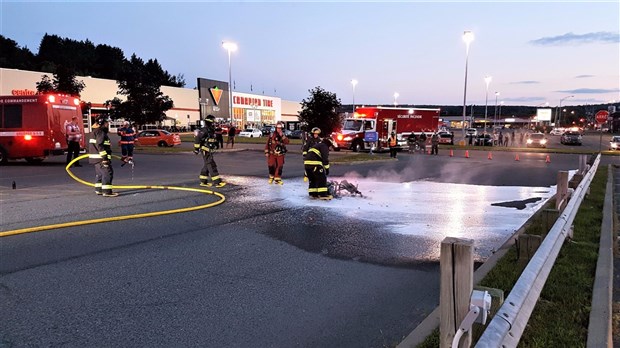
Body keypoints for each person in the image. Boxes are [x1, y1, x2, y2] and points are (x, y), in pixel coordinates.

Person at [88, 116, 118, 197]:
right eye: (107, 123)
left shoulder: (95, 131)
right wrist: (104, 157)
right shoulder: (101, 132)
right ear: (103, 123)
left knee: (100, 174)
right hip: (101, 158)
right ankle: (107, 191)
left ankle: (99, 190)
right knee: (108, 173)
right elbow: (99, 145)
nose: (107, 124)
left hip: (96, 158)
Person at [193, 115, 226, 187]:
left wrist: (216, 145)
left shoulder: (210, 130)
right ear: (209, 122)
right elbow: (197, 139)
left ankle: (203, 181)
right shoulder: (204, 130)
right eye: (213, 122)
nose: (214, 124)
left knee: (207, 165)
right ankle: (217, 182)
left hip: (209, 151)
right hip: (205, 150)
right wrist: (196, 149)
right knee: (211, 165)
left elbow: (212, 139)